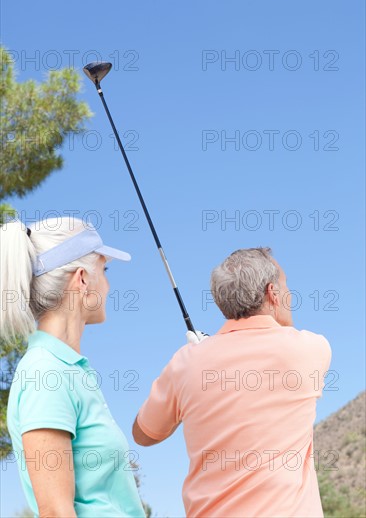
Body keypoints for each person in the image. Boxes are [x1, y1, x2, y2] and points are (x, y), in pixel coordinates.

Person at [133, 247, 332, 518]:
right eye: (285, 287)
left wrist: (195, 366)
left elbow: (143, 434)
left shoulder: (186, 363)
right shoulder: (311, 349)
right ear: (272, 293)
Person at [1, 217, 146, 518]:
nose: (108, 284)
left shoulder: (69, 369)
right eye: (104, 271)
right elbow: (55, 511)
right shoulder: (45, 374)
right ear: (82, 279)